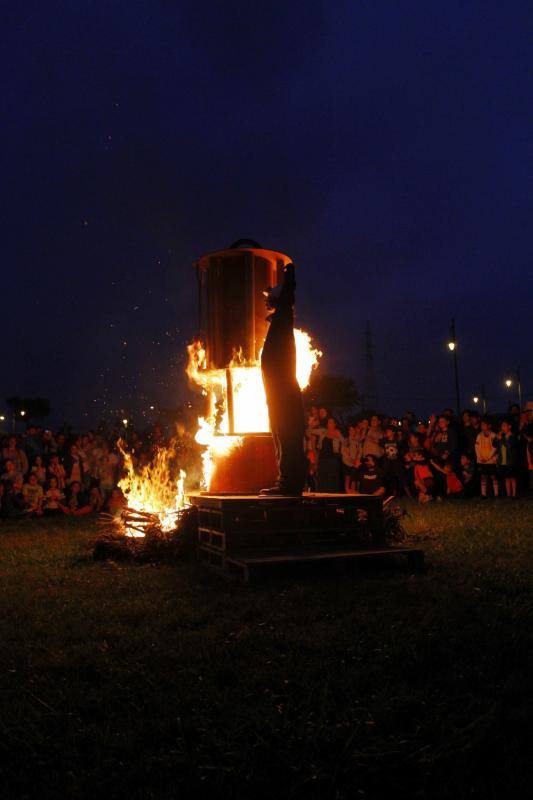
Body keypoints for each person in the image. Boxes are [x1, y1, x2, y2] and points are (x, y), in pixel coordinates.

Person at [260, 262, 307, 495]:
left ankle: (289, 483)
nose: (266, 301)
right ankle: (287, 481)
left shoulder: (283, 318)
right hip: (277, 394)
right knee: (280, 434)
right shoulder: (277, 322)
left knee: (287, 434)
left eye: (270, 297)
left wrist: (289, 278)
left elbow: (288, 299)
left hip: (283, 393)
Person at [316, 417, 343, 492]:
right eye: (328, 422)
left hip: (333, 460)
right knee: (322, 479)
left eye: (331, 422)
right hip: (323, 460)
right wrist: (312, 425)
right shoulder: (323, 432)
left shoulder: (337, 432)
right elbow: (310, 432)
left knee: (332, 481)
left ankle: (332, 496)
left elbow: (345, 443)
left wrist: (339, 435)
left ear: (335, 424)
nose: (329, 424)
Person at [475, 419, 499, 497]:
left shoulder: (493, 435)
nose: (482, 426)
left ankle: (496, 493)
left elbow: (495, 448)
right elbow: (477, 447)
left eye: (484, 425)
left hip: (491, 460)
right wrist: (480, 457)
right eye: (482, 425)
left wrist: (488, 458)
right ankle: (483, 494)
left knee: (493, 476)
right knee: (483, 477)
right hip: (482, 460)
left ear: (489, 426)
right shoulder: (479, 435)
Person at [497, 420, 518, 497]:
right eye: (502, 426)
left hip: (510, 461)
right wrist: (497, 438)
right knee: (506, 478)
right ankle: (508, 494)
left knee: (512, 478)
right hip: (503, 460)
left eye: (504, 425)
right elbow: (495, 444)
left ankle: (514, 494)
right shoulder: (502, 437)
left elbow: (509, 445)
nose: (502, 427)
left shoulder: (512, 436)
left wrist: (501, 439)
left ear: (509, 426)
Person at [341, 424, 362, 493]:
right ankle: (347, 491)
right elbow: (344, 452)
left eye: (353, 430)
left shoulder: (357, 440)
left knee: (354, 478)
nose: (352, 431)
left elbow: (360, 451)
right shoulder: (346, 440)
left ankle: (354, 492)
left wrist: (357, 459)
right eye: (350, 430)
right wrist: (351, 460)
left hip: (355, 462)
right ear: (348, 431)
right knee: (347, 477)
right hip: (347, 462)